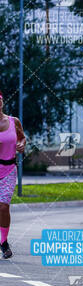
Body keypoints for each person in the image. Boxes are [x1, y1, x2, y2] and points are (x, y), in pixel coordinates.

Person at [0, 91, 26, 259]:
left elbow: (22, 138)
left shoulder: (13, 121)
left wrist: (22, 144)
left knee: (3, 207)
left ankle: (3, 242)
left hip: (9, 169)